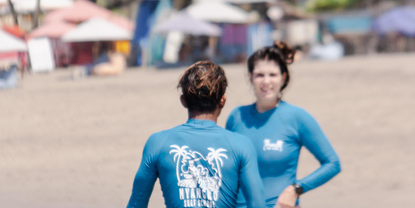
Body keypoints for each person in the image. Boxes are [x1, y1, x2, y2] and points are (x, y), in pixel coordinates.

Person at [127, 60, 266, 208]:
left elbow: (137, 203)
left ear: (184, 101)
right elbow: (257, 204)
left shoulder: (158, 143)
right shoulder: (241, 145)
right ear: (222, 101)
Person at [226, 41, 341, 208]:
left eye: (272, 75)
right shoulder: (236, 117)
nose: (266, 81)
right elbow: (226, 170)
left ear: (283, 77)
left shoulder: (297, 117)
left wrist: (295, 190)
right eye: (259, 75)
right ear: (250, 77)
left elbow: (332, 163)